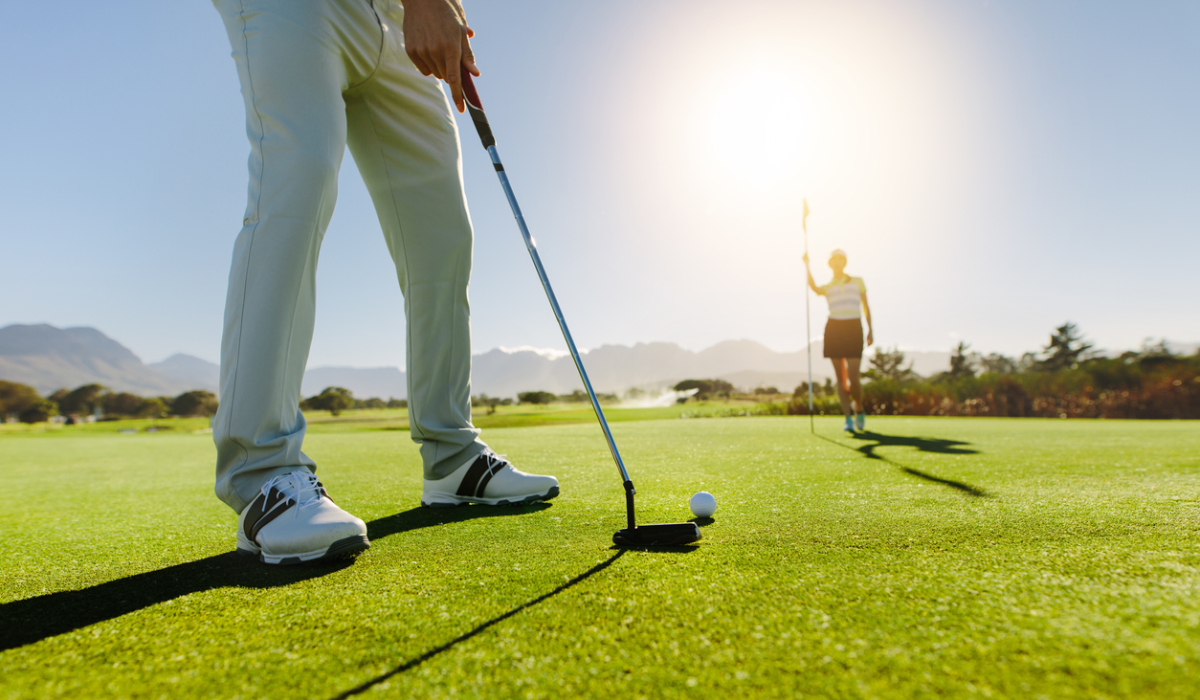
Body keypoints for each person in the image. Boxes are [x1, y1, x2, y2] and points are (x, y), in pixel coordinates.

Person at [209, 0, 558, 566]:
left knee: (442, 231)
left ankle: (452, 458)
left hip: (392, 18)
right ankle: (260, 473)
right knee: (297, 187)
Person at [803, 248, 873, 432]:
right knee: (840, 380)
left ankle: (859, 408)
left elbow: (865, 305)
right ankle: (847, 418)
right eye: (834, 259)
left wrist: (870, 329)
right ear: (830, 263)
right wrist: (807, 265)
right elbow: (815, 288)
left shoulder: (857, 281)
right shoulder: (828, 286)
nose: (837, 262)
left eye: (840, 259)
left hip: (854, 327)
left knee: (853, 377)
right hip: (834, 328)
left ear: (845, 262)